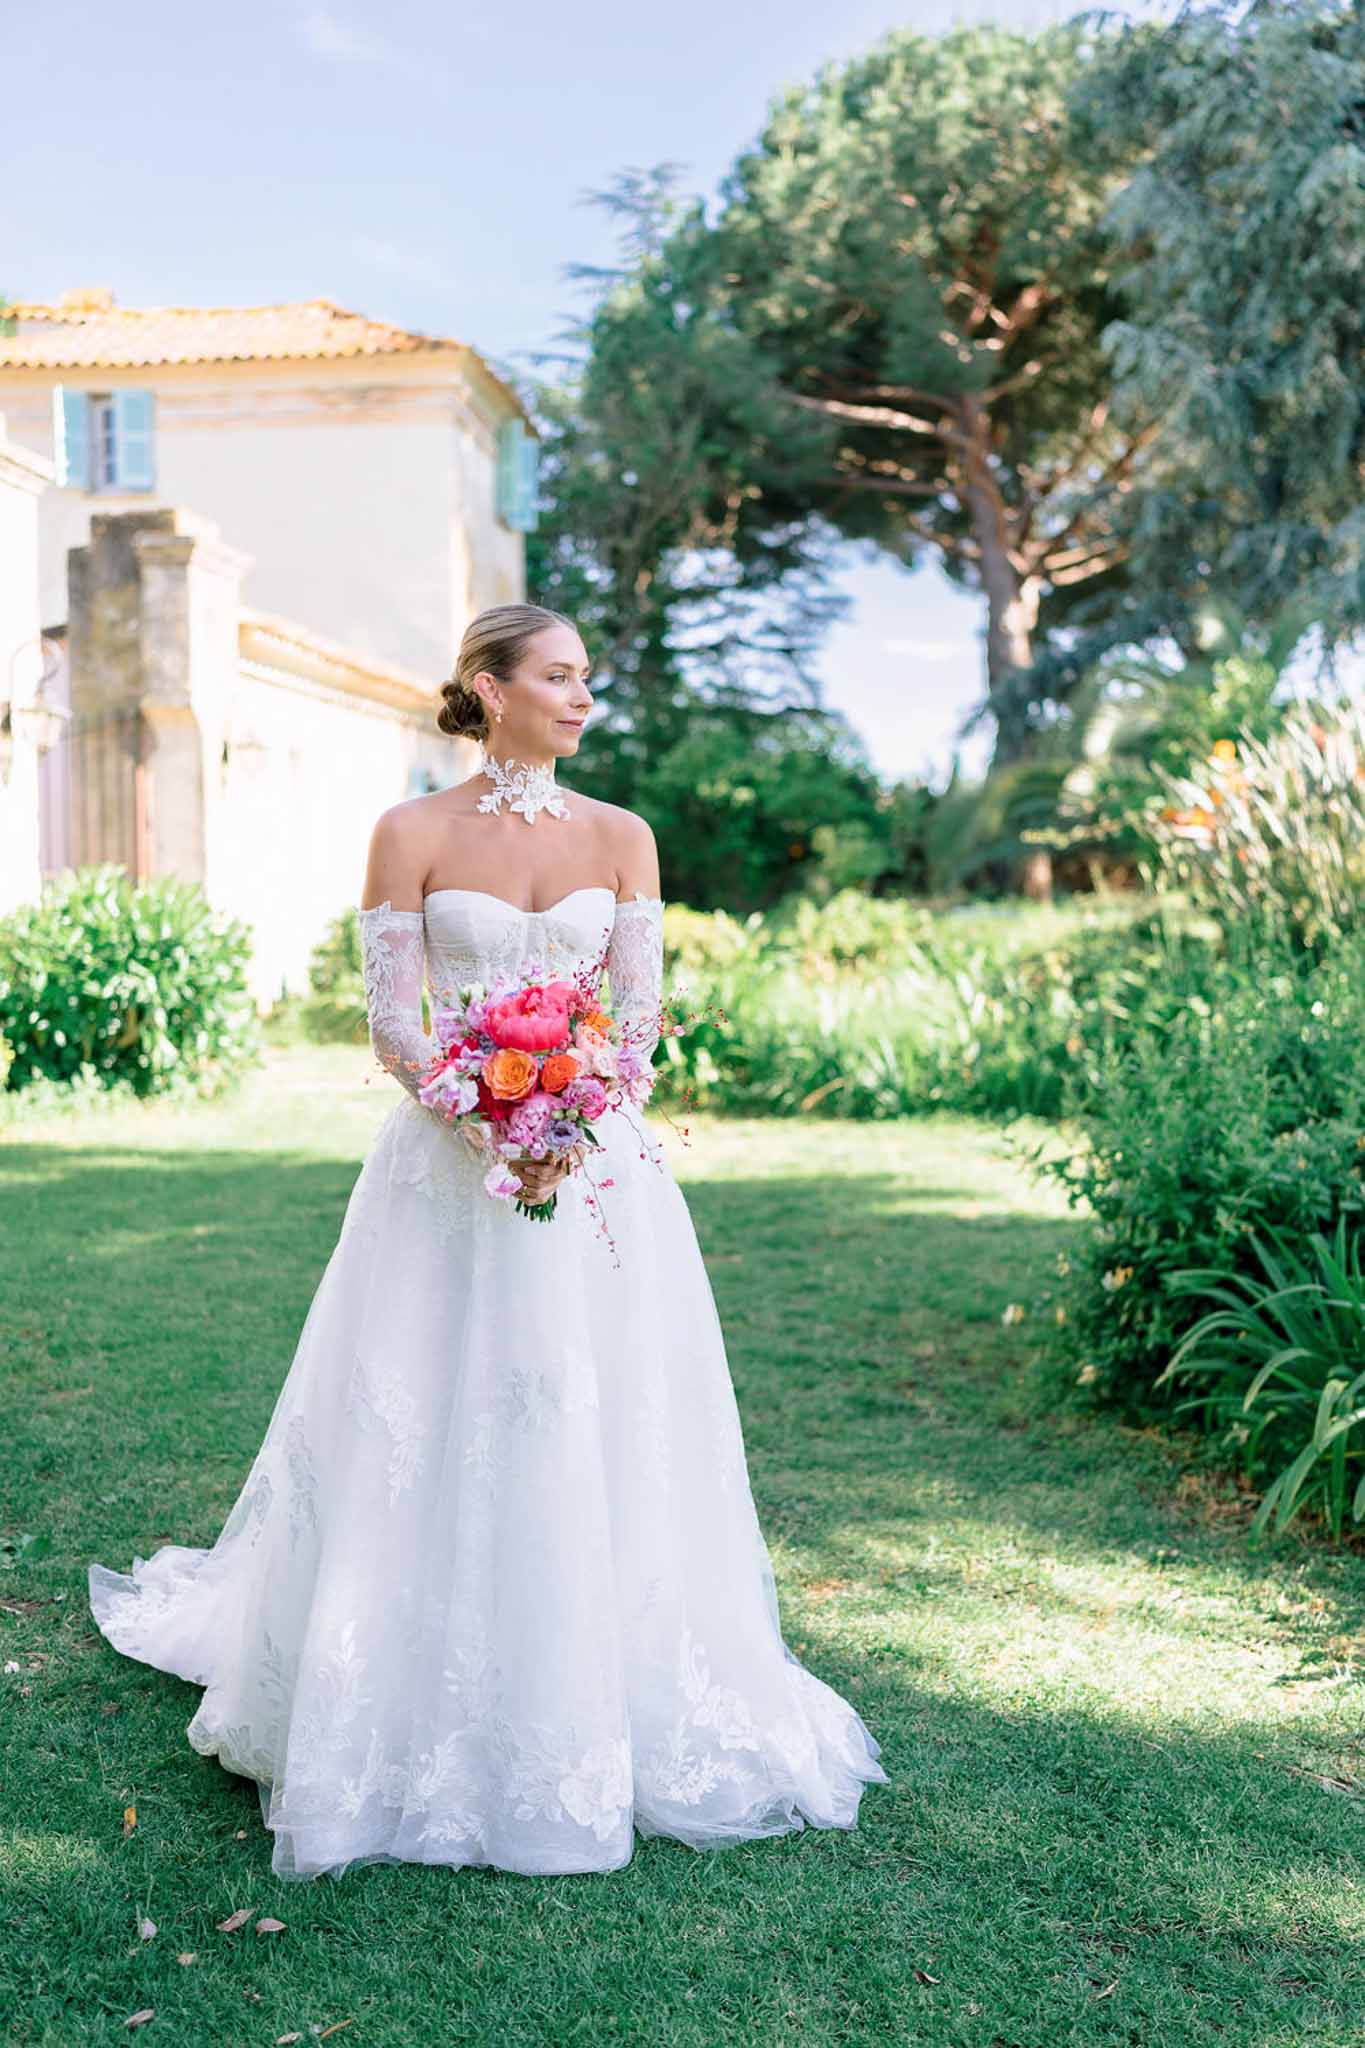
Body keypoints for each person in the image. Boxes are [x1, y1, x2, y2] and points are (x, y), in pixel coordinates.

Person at [87, 603, 889, 1880]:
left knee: (592, 1405)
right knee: (424, 1401)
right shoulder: (407, 832)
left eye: (586, 677)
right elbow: (396, 1024)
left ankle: (596, 1670)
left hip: (597, 1173)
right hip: (445, 1172)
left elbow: (636, 1023)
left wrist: (574, 1116)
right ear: (489, 685)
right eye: (560, 675)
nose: (582, 698)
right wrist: (481, 1121)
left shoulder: (623, 837)